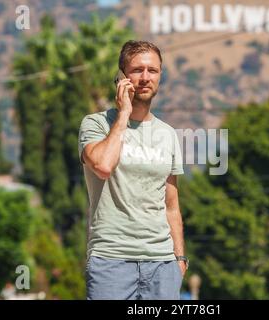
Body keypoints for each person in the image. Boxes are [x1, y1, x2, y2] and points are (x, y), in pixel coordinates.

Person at [78, 40, 188, 300]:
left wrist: (179, 258)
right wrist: (124, 114)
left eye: (153, 71)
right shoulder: (95, 125)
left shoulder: (168, 134)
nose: (145, 78)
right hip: (112, 260)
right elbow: (103, 166)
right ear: (121, 77)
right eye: (137, 70)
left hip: (162, 265)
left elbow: (171, 205)